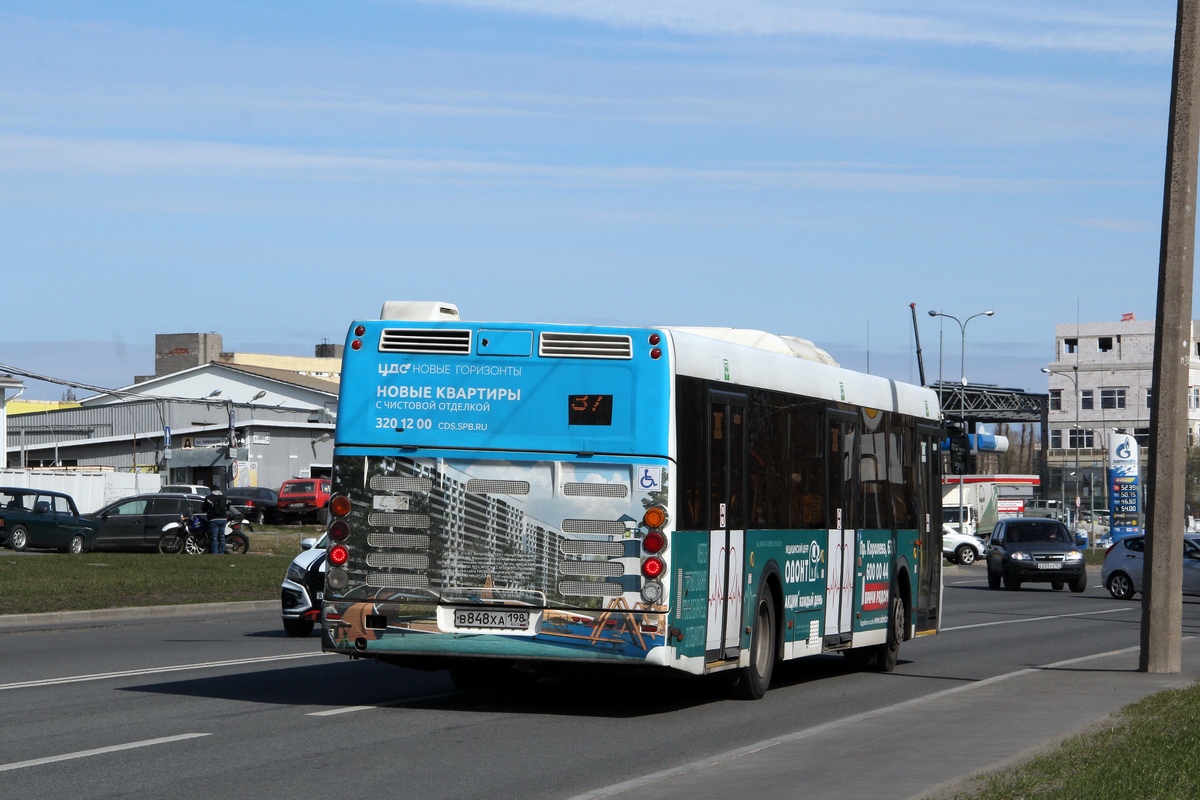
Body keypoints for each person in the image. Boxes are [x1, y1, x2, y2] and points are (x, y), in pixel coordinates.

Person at [201, 488, 230, 554]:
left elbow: (204, 508)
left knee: (214, 537)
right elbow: (227, 508)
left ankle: (215, 553)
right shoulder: (225, 498)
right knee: (222, 536)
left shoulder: (209, 498)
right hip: (223, 519)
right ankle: (221, 552)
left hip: (213, 519)